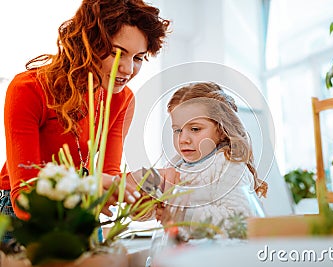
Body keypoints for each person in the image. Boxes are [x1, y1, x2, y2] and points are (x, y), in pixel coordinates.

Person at [0, 0, 171, 244]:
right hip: (22, 213)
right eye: (116, 53)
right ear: (87, 43)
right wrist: (89, 189)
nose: (128, 69)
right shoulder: (29, 89)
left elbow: (107, 176)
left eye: (138, 58)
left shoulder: (121, 99)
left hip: (81, 207)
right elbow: (24, 199)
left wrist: (140, 191)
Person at [161, 82, 268, 234]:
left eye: (195, 129)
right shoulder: (174, 164)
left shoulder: (228, 166)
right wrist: (143, 204)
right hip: (184, 253)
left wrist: (185, 214)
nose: (183, 139)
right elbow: (159, 209)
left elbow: (241, 222)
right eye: (177, 130)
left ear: (221, 129)